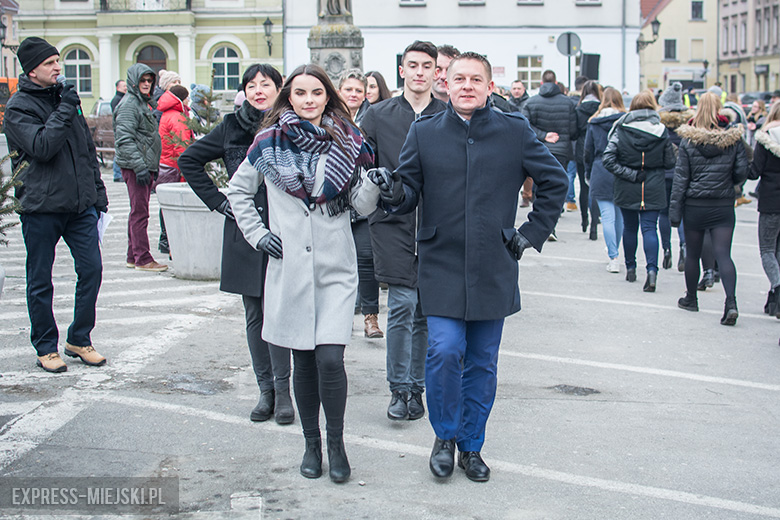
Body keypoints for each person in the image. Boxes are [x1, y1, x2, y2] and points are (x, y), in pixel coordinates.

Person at [356, 52, 567, 482]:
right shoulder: (425, 131)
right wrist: (391, 188)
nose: (467, 85)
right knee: (444, 350)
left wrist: (530, 233)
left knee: (483, 361)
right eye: (459, 79)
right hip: (441, 262)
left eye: (476, 79)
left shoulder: (514, 130)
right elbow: (409, 189)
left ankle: (472, 446)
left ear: (490, 87)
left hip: (495, 264)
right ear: (444, 84)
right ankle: (444, 436)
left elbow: (555, 181)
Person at [227, 63, 374, 484]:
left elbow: (361, 208)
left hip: (335, 269)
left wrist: (375, 187)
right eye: (300, 93)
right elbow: (237, 191)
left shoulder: (348, 142)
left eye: (316, 93)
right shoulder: (268, 142)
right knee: (305, 363)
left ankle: (336, 443)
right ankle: (311, 444)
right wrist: (258, 234)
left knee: (331, 358)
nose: (309, 100)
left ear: (328, 96)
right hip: (289, 269)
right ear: (288, 97)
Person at [179, 64, 294, 425]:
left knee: (283, 311)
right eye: (251, 85)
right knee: (256, 313)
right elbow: (189, 160)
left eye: (266, 84)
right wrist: (220, 202)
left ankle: (286, 392)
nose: (259, 90)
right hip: (246, 232)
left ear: (280, 88)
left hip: (286, 230)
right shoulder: (232, 126)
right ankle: (267, 391)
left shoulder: (291, 125)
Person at [5, 36, 108, 373]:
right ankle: (46, 346)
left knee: (91, 269)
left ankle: (79, 338)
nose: (58, 68)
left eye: (58, 61)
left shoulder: (66, 101)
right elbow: (43, 146)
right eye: (50, 63)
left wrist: (98, 194)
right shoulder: (19, 107)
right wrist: (66, 107)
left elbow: (86, 153)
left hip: (80, 206)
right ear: (32, 70)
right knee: (40, 279)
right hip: (41, 206)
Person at [360, 40, 447, 422]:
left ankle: (418, 389)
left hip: (435, 224)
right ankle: (399, 389)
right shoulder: (378, 115)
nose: (419, 72)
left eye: (426, 66)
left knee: (425, 312)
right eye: (412, 65)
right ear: (402, 70)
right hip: (392, 222)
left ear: (435, 72)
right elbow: (361, 163)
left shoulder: (447, 115)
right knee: (401, 306)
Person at [671, 92, 748, 325]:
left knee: (693, 254)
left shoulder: (688, 140)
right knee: (723, 254)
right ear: (719, 109)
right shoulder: (732, 139)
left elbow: (681, 179)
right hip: (723, 204)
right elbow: (741, 172)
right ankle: (731, 302)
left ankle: (691, 298)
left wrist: (674, 210)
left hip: (695, 205)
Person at [603, 90, 676, 292]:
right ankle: (652, 271)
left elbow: (608, 159)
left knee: (629, 227)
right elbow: (670, 161)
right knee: (649, 228)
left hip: (627, 185)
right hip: (653, 185)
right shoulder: (661, 131)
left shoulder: (621, 129)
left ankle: (631, 267)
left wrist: (629, 173)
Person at [337, 69, 382, 339]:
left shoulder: (371, 118)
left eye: (358, 90)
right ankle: (341, 317)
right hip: (337, 202)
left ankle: (370, 317)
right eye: (348, 90)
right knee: (339, 261)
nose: (353, 94)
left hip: (364, 200)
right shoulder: (329, 118)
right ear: (339, 91)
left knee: (366, 258)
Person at [114, 63, 167, 272]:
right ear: (134, 82)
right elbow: (124, 139)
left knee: (138, 211)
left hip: (143, 164)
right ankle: (143, 258)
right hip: (137, 166)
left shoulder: (142, 103)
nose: (146, 84)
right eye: (142, 80)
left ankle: (133, 255)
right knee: (140, 213)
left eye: (149, 80)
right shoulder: (130, 104)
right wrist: (140, 167)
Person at [522, 69, 578, 239]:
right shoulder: (567, 103)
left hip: (538, 148)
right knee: (557, 185)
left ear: (541, 83)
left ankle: (542, 225)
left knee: (539, 187)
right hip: (560, 149)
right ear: (555, 83)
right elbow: (574, 130)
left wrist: (542, 136)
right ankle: (551, 224)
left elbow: (524, 125)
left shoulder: (531, 102)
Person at [585, 87, 627, 273]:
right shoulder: (626, 121)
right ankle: (614, 250)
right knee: (619, 217)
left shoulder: (595, 122)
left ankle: (614, 256)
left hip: (601, 167)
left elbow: (588, 150)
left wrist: (588, 172)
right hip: (621, 169)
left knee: (607, 216)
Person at [657, 82, 693, 273]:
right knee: (682, 214)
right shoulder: (688, 124)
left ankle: (666, 249)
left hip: (663, 174)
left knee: (663, 213)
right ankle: (684, 247)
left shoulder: (659, 124)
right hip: (684, 175)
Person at [750, 102, 780, 317]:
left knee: (767, 250)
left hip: (771, 200)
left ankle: (777, 289)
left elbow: (755, 171)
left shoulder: (765, 137)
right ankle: (773, 299)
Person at [156, 84, 192, 256]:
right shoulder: (177, 117)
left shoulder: (167, 114)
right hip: (174, 166)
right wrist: (187, 167)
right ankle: (168, 241)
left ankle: (165, 239)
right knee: (172, 204)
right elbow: (182, 145)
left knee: (165, 204)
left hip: (166, 163)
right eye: (187, 97)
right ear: (182, 98)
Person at [574, 80, 601, 238]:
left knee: (584, 187)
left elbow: (574, 130)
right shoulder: (601, 109)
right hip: (597, 148)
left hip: (581, 148)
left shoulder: (579, 109)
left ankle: (584, 219)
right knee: (595, 189)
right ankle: (594, 225)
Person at [110, 79, 128, 182]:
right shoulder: (117, 99)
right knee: (120, 150)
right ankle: (117, 173)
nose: (125, 88)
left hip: (120, 127)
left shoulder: (121, 98)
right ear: (118, 88)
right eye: (123, 86)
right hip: (120, 128)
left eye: (126, 86)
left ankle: (117, 173)